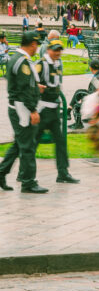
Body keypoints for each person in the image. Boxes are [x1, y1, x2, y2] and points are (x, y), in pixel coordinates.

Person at [0, 32, 48, 193]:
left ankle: (1, 172)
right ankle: (28, 182)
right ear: (32, 44)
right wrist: (33, 110)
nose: (37, 48)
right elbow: (23, 88)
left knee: (20, 144)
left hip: (19, 107)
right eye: (37, 44)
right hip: (22, 109)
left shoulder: (19, 58)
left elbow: (25, 84)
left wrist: (36, 87)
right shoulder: (22, 61)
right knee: (27, 146)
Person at [34, 40, 79, 184]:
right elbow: (29, 81)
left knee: (60, 142)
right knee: (32, 143)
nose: (58, 52)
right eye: (55, 50)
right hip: (42, 109)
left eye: (59, 50)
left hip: (53, 109)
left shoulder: (57, 64)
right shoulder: (41, 64)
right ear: (48, 50)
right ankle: (24, 173)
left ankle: (63, 173)